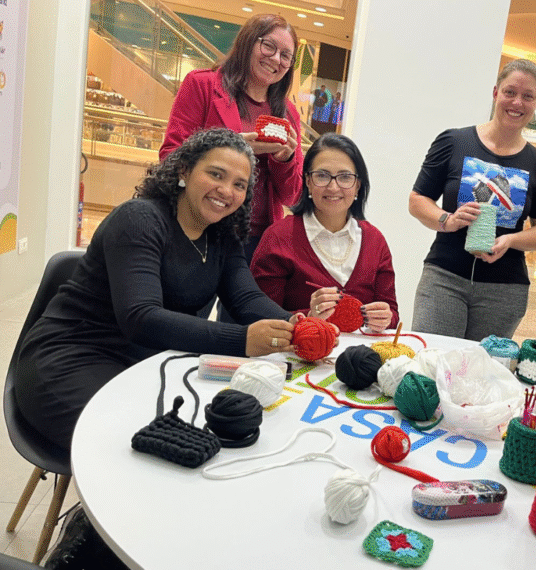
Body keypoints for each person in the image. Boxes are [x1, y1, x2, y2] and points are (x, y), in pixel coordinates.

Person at [16, 128, 298, 457]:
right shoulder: (139, 219)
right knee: (150, 450)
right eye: (216, 174)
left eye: (239, 184)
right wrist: (243, 340)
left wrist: (297, 325)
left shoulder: (222, 235)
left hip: (149, 364)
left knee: (211, 437)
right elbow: (141, 318)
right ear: (184, 171)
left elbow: (246, 299)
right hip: (71, 359)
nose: (226, 190)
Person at [408, 59, 536, 341]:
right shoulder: (454, 142)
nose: (517, 102)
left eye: (528, 96)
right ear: (496, 92)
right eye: (510, 92)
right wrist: (447, 220)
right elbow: (417, 200)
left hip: (504, 288)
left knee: (482, 366)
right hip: (444, 277)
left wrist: (510, 240)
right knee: (432, 359)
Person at [160, 14, 302, 263]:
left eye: (286, 55)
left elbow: (292, 196)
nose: (275, 59)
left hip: (257, 240)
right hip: (199, 227)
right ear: (248, 41)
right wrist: (232, 147)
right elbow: (170, 157)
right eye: (269, 46)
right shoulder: (202, 85)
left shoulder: (288, 114)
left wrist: (284, 160)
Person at [251, 133, 398, 333]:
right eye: (322, 175)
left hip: (361, 352)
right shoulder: (279, 237)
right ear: (307, 181)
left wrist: (385, 318)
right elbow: (259, 318)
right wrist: (309, 316)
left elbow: (392, 315)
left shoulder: (375, 241)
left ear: (358, 185)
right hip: (297, 351)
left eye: (345, 177)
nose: (333, 187)